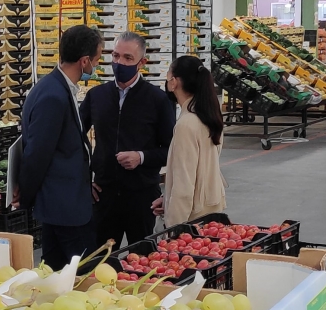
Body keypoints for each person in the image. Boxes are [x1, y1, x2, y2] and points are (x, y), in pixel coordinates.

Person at [13, 25, 103, 271]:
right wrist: (26, 196)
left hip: (63, 203)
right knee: (84, 273)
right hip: (65, 209)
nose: (95, 65)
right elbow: (37, 154)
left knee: (52, 271)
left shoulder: (55, 87)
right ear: (84, 61)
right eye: (96, 59)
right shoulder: (53, 96)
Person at [79, 31, 175, 249]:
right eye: (115, 56)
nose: (119, 62)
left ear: (142, 62)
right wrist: (84, 179)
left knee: (141, 259)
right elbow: (73, 139)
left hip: (141, 197)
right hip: (103, 195)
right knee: (98, 261)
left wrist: (141, 157)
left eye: (127, 58)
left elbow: (171, 149)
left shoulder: (157, 100)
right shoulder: (97, 96)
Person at [151, 56, 226, 227]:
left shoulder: (186, 124)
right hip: (211, 211)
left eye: (168, 75)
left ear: (174, 82)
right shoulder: (210, 116)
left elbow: (184, 187)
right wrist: (167, 200)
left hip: (192, 220)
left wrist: (173, 230)